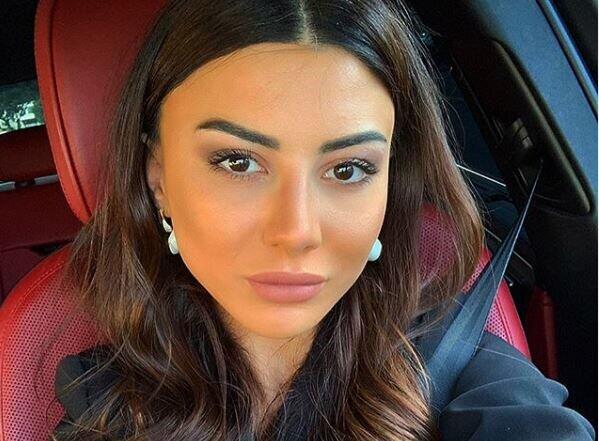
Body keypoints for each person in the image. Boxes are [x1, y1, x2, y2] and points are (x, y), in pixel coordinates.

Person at [47, 0, 596, 440]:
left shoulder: (462, 367)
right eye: (237, 162)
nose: (297, 232)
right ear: (158, 178)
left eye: (349, 169)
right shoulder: (105, 401)